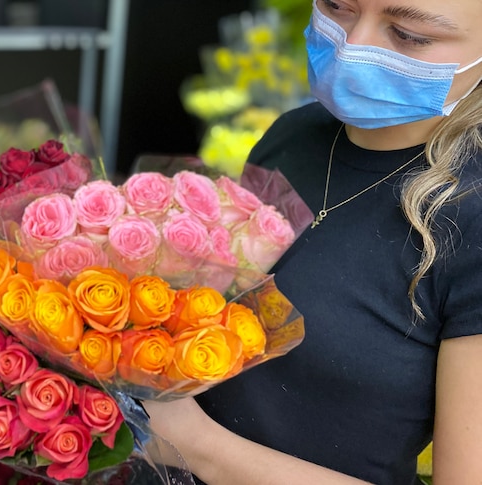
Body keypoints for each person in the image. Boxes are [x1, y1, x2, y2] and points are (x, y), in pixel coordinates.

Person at [142, 0, 482, 483]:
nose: (354, 46)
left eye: (408, 34)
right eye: (338, 7)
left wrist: (195, 445)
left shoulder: (468, 214)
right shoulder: (293, 136)